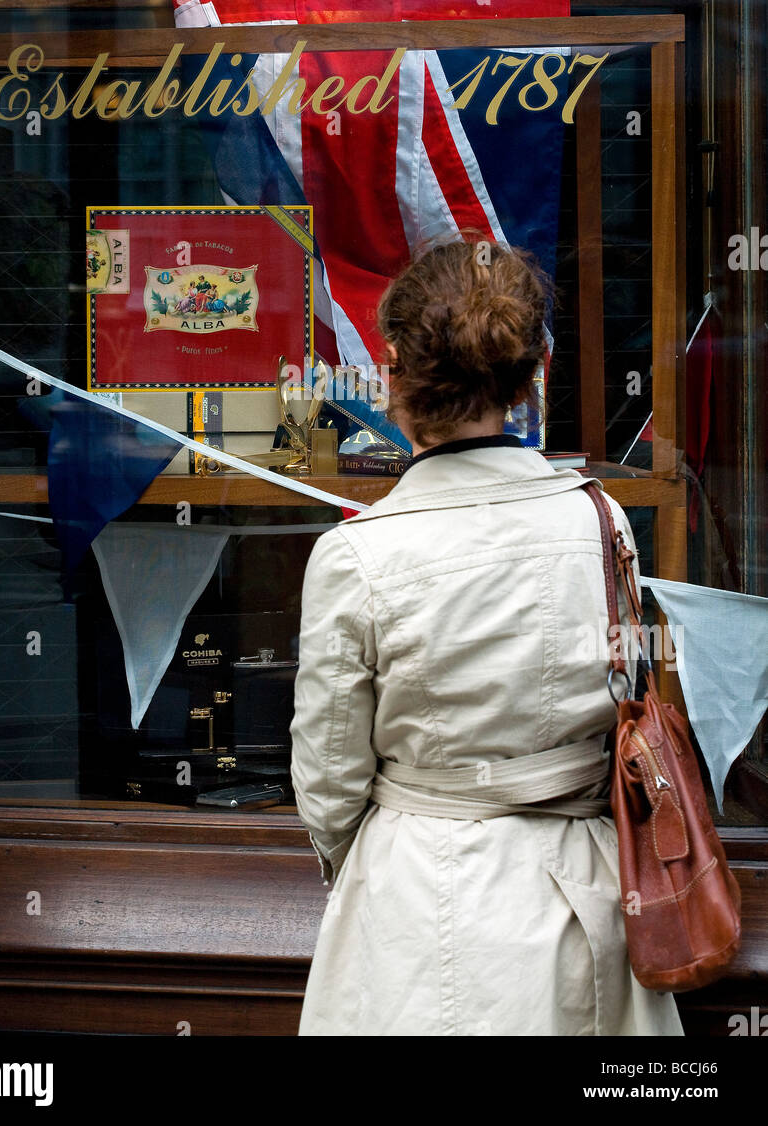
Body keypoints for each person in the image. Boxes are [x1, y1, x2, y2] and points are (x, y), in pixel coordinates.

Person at [290, 239, 684, 1037]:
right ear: (533, 369)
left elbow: (329, 781)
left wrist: (380, 857)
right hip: (591, 892)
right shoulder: (602, 519)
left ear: (392, 367)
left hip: (415, 899)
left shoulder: (355, 554)